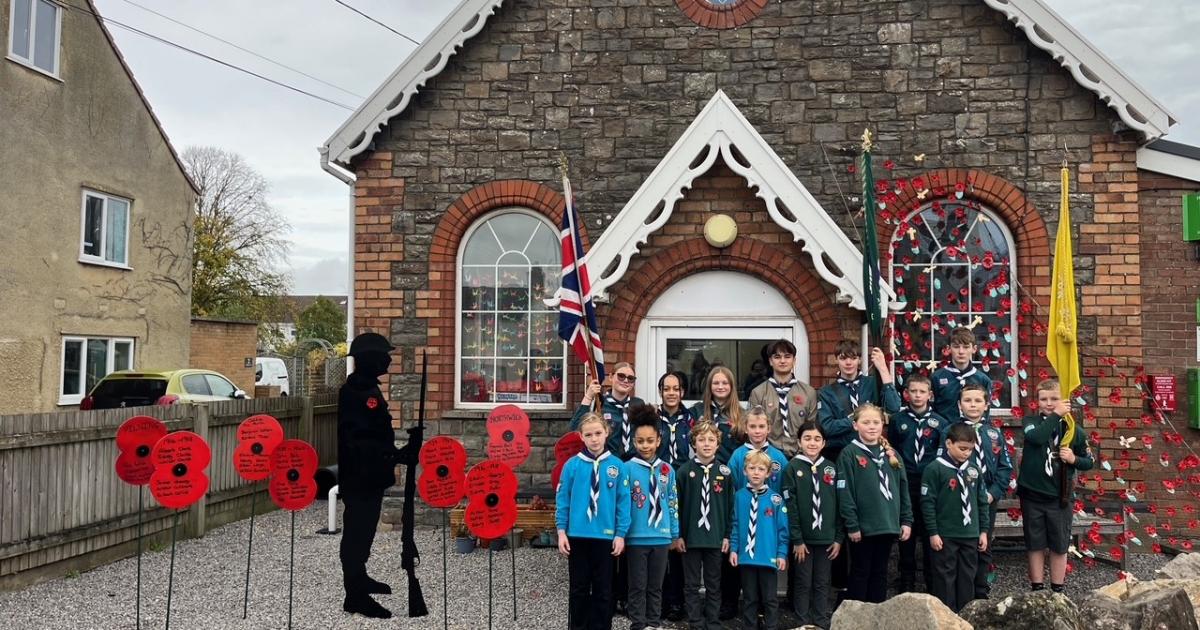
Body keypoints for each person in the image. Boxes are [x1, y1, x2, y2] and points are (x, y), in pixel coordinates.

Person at [339, 332, 413, 619]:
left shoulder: (368, 389)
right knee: (357, 533)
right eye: (384, 356)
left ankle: (361, 578)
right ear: (370, 360)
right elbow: (360, 441)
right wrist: (393, 455)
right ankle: (354, 594)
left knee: (365, 530)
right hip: (361, 478)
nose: (389, 359)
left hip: (370, 475)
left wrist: (398, 451)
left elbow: (376, 436)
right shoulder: (356, 393)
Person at [556, 412, 631, 630]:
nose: (594, 439)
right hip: (577, 536)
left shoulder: (617, 466)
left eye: (598, 433)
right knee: (579, 588)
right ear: (581, 437)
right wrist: (561, 531)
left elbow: (623, 503)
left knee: (604, 589)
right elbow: (563, 501)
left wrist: (620, 534)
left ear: (606, 433)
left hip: (605, 537)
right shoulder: (572, 466)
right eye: (589, 435)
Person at [1017, 379, 1093, 594]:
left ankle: (1058, 590)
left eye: (1054, 399)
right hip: (1032, 495)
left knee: (1059, 544)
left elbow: (1089, 461)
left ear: (1064, 400)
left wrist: (1073, 460)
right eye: (1044, 399)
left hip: (1059, 497)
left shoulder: (1073, 430)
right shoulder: (1030, 421)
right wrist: (1056, 414)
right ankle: (1037, 588)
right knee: (1035, 543)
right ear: (1037, 401)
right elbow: (1038, 437)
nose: (1049, 403)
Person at [836, 403, 912, 603]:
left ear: (883, 425)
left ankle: (876, 616)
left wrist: (906, 520)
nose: (871, 426)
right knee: (861, 572)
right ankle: (857, 619)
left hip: (887, 524)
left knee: (880, 573)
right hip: (863, 526)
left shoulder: (892, 454)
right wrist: (851, 524)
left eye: (876, 422)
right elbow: (845, 493)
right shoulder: (849, 454)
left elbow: (903, 489)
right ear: (855, 426)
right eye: (866, 422)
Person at [951, 382, 1013, 600]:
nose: (973, 405)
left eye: (978, 400)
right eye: (967, 400)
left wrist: (993, 492)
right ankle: (961, 591)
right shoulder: (952, 431)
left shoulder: (994, 433)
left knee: (983, 542)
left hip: (986, 498)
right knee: (962, 543)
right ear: (960, 404)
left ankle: (981, 590)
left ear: (987, 404)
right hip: (960, 497)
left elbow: (1005, 467)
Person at [888, 373, 948, 593]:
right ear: (906, 394)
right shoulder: (898, 420)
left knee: (929, 528)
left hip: (930, 483)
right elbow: (893, 448)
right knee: (907, 530)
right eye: (913, 391)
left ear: (930, 395)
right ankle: (906, 580)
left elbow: (941, 455)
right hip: (907, 481)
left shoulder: (940, 423)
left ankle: (932, 581)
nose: (917, 395)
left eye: (922, 391)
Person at [622, 405, 681, 630]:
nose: (645, 445)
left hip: (662, 537)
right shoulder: (627, 469)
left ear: (658, 440)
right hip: (636, 537)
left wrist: (674, 533)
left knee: (656, 585)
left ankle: (654, 623)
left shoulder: (667, 470)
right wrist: (622, 534)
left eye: (650, 440)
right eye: (640, 441)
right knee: (637, 584)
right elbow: (624, 504)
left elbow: (672, 502)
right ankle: (638, 623)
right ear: (634, 442)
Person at [921, 422, 990, 612]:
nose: (966, 453)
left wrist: (983, 531)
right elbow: (927, 504)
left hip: (970, 533)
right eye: (962, 448)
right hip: (945, 535)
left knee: (968, 576)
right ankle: (945, 616)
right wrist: (933, 533)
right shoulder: (934, 469)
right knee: (945, 577)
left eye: (970, 449)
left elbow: (982, 501)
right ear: (949, 443)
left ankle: (964, 616)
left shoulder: (974, 469)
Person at [782, 421, 842, 629]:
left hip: (827, 538)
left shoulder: (831, 468)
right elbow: (791, 507)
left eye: (817, 439)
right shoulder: (792, 468)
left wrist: (838, 538)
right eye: (807, 438)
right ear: (799, 441)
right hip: (803, 541)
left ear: (824, 442)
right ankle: (802, 621)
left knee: (822, 582)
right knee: (803, 582)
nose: (812, 443)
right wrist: (797, 539)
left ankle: (820, 621)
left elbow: (838, 505)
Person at [677, 421, 733, 630]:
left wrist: (727, 536)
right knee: (691, 584)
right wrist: (679, 535)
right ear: (693, 443)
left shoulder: (726, 473)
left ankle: (713, 621)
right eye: (701, 440)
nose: (706, 444)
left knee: (713, 583)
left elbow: (730, 509)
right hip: (690, 538)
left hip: (715, 538)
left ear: (718, 444)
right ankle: (695, 622)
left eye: (711, 440)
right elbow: (678, 507)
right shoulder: (683, 472)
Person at [729, 450, 789, 630]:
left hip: (768, 557)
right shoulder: (739, 497)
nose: (756, 472)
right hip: (746, 557)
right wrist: (733, 548)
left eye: (761, 469)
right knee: (749, 598)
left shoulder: (775, 499)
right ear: (744, 471)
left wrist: (781, 553)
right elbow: (735, 524)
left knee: (770, 599)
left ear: (768, 473)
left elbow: (782, 529)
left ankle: (771, 627)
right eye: (752, 468)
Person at [817, 341, 901, 461]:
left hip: (872, 452)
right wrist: (854, 420)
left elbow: (894, 407)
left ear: (860, 360)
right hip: (840, 454)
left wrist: (883, 368)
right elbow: (827, 428)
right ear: (836, 360)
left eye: (853, 358)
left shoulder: (872, 384)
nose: (848, 363)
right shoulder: (826, 392)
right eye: (843, 358)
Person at [656, 371, 694, 621]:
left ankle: (678, 601)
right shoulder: (651, 416)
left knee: (679, 543)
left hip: (683, 484)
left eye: (676, 388)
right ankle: (659, 600)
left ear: (682, 392)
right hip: (657, 485)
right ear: (661, 391)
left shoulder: (691, 419)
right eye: (666, 388)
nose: (671, 393)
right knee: (659, 544)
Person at [748, 339, 819, 458]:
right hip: (767, 456)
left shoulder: (809, 393)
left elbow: (811, 428)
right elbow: (753, 427)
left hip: (800, 455)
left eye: (787, 356)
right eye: (777, 357)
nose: (782, 361)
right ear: (770, 361)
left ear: (794, 360)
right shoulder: (758, 393)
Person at [571, 362, 645, 461]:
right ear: (610, 377)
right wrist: (588, 397)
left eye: (631, 378)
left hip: (633, 463)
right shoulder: (599, 403)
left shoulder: (639, 404)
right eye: (621, 376)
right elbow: (575, 428)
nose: (626, 380)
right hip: (607, 462)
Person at [931, 328, 994, 422]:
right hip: (944, 432)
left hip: (972, 433)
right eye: (956, 347)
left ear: (974, 349)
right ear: (948, 349)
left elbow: (985, 413)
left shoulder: (983, 380)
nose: (961, 351)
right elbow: (931, 410)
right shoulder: (936, 377)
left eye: (966, 347)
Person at [728, 406, 789, 493]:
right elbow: (730, 487)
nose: (757, 431)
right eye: (752, 426)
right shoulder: (737, 456)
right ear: (745, 428)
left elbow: (787, 487)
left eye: (761, 426)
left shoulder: (778, 457)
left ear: (768, 428)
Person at [691, 365, 744, 465]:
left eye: (725, 383)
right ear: (709, 386)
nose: (720, 387)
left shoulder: (742, 415)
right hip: (701, 469)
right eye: (716, 383)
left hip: (730, 471)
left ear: (731, 386)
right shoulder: (697, 411)